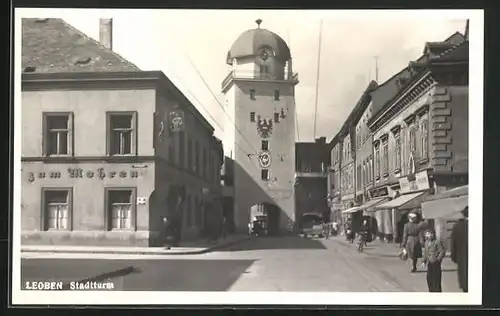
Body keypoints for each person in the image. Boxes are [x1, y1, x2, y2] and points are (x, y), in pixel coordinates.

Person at [451, 206, 468, 292]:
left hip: (463, 260)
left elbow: (453, 245)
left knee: (466, 286)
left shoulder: (457, 226)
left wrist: (455, 258)